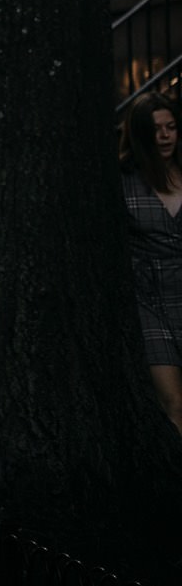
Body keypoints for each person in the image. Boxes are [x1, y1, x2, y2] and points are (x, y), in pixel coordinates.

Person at [121, 91, 182, 435]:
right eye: (156, 129)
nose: (165, 136)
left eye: (171, 127)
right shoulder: (124, 179)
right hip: (149, 300)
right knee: (173, 401)